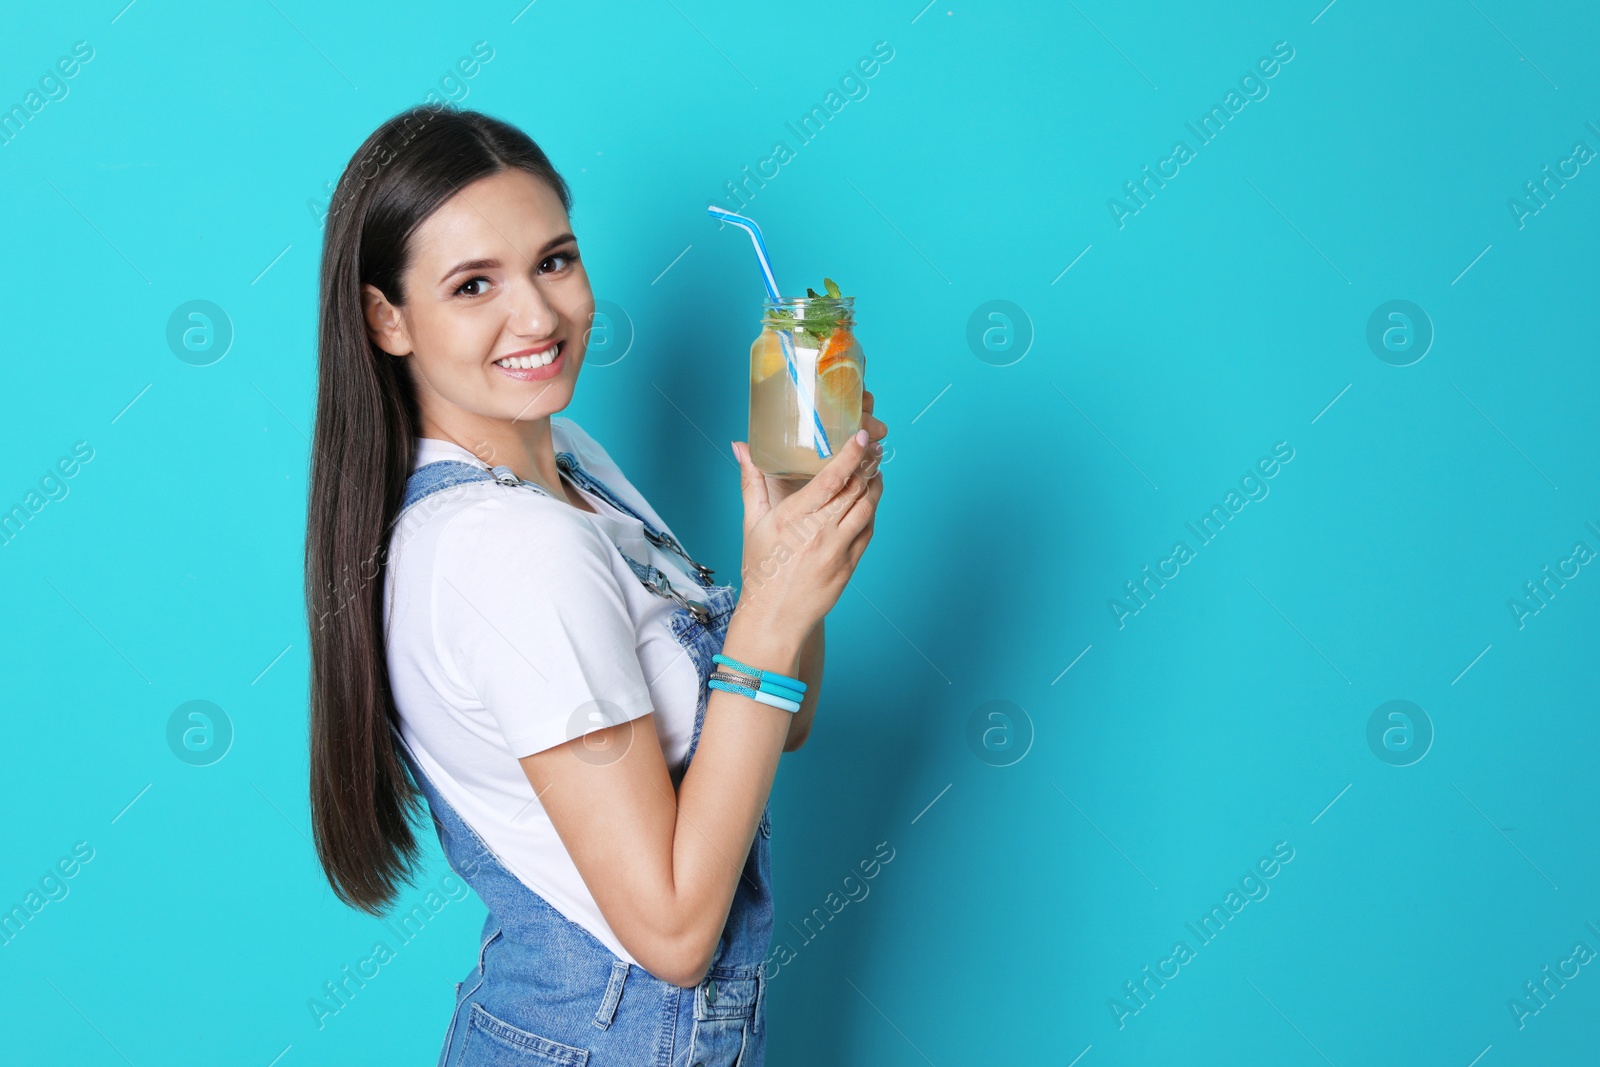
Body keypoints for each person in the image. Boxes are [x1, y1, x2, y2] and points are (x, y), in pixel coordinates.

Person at [304, 104, 887, 1066]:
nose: (536, 316)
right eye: (472, 284)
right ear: (387, 318)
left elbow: (784, 715)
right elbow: (673, 933)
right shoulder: (510, 547)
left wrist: (791, 551)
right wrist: (771, 608)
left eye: (554, 261)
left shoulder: (567, 462)